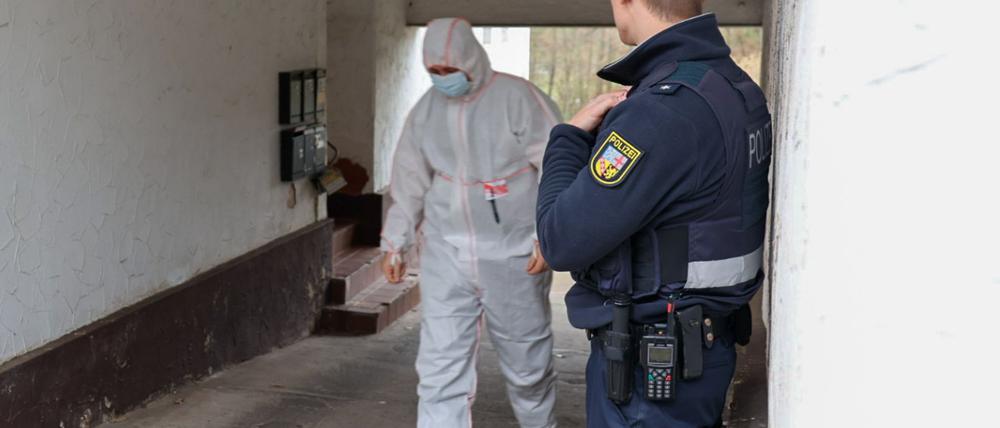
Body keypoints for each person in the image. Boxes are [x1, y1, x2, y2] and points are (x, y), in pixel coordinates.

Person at [536, 0, 772, 426]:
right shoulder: (731, 85)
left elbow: (560, 240)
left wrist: (568, 138)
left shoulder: (660, 109)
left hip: (651, 376)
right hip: (701, 348)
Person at [380, 18, 562, 428]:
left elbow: (558, 168)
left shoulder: (518, 98)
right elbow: (408, 179)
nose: (444, 80)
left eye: (451, 71)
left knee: (527, 362)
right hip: (447, 253)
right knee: (439, 365)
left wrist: (544, 237)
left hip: (514, 253)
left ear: (472, 60)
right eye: (435, 72)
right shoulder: (426, 111)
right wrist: (396, 241)